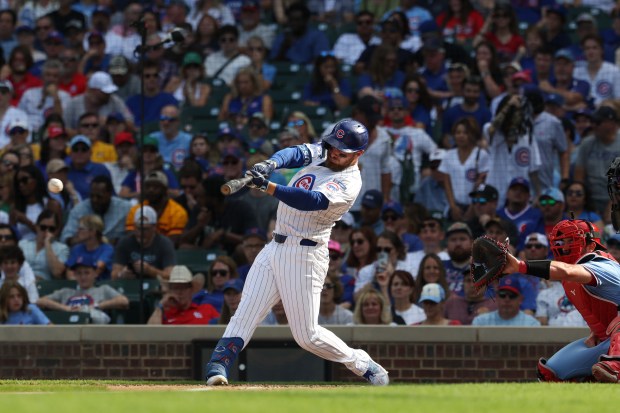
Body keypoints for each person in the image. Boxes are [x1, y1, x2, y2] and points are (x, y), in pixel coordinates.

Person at [204, 119, 389, 386]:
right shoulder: (326, 150)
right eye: (333, 145)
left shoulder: (349, 182)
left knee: (307, 336)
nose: (334, 152)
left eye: (342, 151)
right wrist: (270, 164)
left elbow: (311, 201)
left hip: (305, 255)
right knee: (246, 312)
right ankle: (217, 366)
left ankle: (364, 365)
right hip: (275, 247)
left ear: (358, 154)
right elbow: (296, 153)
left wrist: (269, 187)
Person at [37, 255, 129, 324]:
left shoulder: (103, 290)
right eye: (79, 273)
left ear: (95, 273)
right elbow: (41, 301)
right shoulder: (66, 291)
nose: (83, 277)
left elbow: (123, 301)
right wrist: (66, 308)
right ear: (75, 275)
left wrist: (96, 306)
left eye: (87, 273)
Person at [111, 205, 176, 281]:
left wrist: (151, 271)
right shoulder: (125, 242)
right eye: (138, 228)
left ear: (154, 228)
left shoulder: (165, 243)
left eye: (145, 229)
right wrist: (122, 274)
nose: (140, 233)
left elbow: (171, 275)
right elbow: (114, 274)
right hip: (131, 285)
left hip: (156, 286)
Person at [148, 265, 220, 325]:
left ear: (191, 289)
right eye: (176, 288)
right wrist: (161, 305)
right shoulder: (164, 314)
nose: (179, 292)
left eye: (184, 287)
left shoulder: (207, 309)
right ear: (170, 291)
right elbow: (150, 334)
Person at [19, 209, 69, 281]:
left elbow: (57, 272)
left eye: (51, 229)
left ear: (56, 230)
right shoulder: (22, 244)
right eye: (43, 227)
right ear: (36, 226)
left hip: (46, 287)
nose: (47, 231)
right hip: (23, 283)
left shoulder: (62, 248)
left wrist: (47, 243)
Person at [472, 275, 541, 327]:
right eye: (502, 295)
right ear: (496, 297)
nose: (507, 299)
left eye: (512, 295)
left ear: (520, 299)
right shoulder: (481, 322)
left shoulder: (532, 324)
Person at [64, 215, 114, 281]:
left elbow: (98, 269)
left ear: (93, 232)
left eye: (81, 229)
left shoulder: (107, 249)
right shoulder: (77, 249)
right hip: (78, 287)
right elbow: (69, 273)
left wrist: (80, 278)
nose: (77, 231)